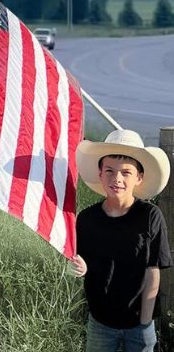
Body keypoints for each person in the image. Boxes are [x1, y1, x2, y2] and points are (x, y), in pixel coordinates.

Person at [69, 129, 172, 352]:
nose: (117, 178)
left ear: (139, 177)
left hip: (139, 322)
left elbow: (153, 270)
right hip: (100, 321)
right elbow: (83, 262)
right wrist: (79, 267)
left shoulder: (150, 215)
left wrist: (145, 321)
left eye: (126, 172)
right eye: (109, 171)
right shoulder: (86, 219)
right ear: (100, 174)